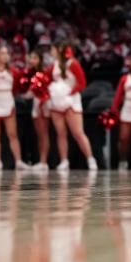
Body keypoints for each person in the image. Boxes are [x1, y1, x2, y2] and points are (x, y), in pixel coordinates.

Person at [47, 43, 98, 171]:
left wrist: (68, 94)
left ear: (59, 49)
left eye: (53, 49)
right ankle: (64, 161)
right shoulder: (53, 66)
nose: (51, 51)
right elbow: (46, 80)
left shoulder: (73, 63)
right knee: (61, 133)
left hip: (71, 100)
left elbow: (82, 83)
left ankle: (91, 159)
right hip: (56, 102)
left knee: (78, 133)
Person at [0, 44, 27, 171]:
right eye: (2, 53)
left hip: (7, 101)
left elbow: (16, 88)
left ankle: (18, 161)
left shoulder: (14, 71)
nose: (6, 56)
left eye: (7, 53)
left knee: (12, 133)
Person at [26, 49, 52, 171]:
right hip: (36, 105)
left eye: (35, 58)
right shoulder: (30, 73)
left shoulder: (43, 73)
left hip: (43, 105)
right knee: (39, 135)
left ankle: (44, 161)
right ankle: (41, 161)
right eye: (31, 58)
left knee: (44, 134)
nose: (32, 60)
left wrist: (41, 105)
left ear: (40, 60)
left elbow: (46, 92)